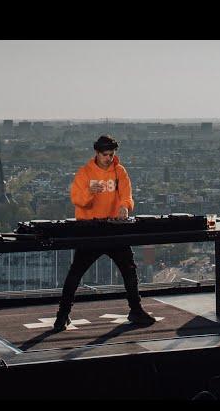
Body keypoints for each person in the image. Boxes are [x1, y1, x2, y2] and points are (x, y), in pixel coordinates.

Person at [52, 135, 156, 332]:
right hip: (90, 230)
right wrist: (90, 191)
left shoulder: (120, 172)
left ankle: (136, 310)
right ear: (97, 153)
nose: (109, 158)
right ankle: (62, 315)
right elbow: (78, 200)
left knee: (129, 271)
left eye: (112, 154)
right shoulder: (84, 173)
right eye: (105, 154)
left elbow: (127, 196)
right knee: (75, 274)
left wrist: (125, 207)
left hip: (114, 228)